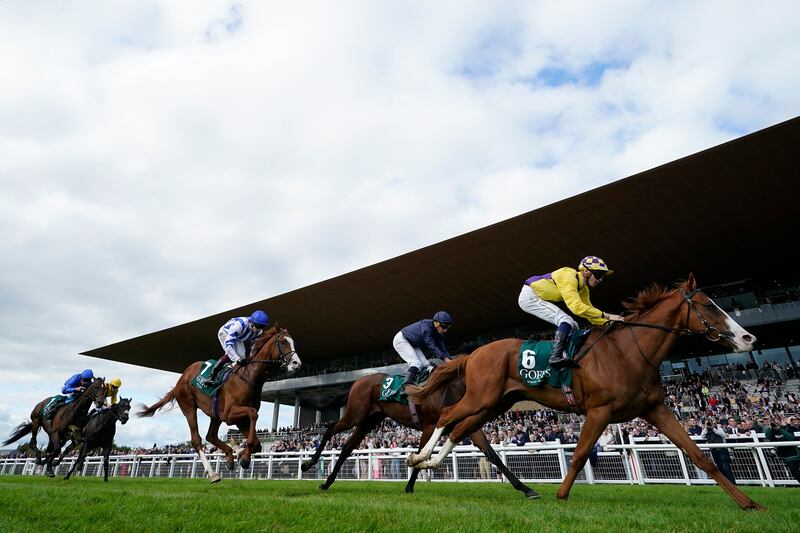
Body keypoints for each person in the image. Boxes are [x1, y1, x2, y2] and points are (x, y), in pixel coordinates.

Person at [518, 256, 624, 367]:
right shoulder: (569, 277)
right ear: (586, 271)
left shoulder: (583, 289)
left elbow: (591, 316)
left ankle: (566, 355)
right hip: (529, 296)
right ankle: (555, 357)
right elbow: (576, 307)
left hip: (536, 296)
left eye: (603, 276)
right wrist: (607, 315)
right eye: (598, 274)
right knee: (566, 321)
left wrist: (611, 323)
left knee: (574, 326)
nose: (601, 279)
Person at [207, 310, 270, 384]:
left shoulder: (259, 332)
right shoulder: (240, 324)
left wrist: (251, 356)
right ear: (252, 323)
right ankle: (212, 376)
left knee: (242, 355)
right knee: (232, 354)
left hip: (238, 337)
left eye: (263, 326)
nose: (259, 329)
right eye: (258, 326)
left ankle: (230, 370)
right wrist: (237, 359)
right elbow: (228, 344)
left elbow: (254, 345)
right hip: (225, 333)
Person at [392, 311, 453, 386]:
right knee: (416, 363)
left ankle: (421, 384)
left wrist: (451, 361)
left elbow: (443, 349)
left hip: (412, 343)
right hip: (401, 340)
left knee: (426, 364)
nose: (445, 330)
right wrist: (446, 359)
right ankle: (405, 387)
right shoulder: (427, 328)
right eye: (444, 327)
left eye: (447, 327)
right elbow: (432, 347)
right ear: (436, 323)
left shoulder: (438, 333)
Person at [701, 418, 736, 484]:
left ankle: (732, 483)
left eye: (709, 422)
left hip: (722, 450)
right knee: (719, 467)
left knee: (726, 467)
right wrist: (706, 428)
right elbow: (702, 436)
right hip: (714, 451)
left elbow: (723, 435)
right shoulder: (706, 430)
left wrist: (713, 428)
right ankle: (724, 483)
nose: (708, 424)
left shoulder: (718, 427)